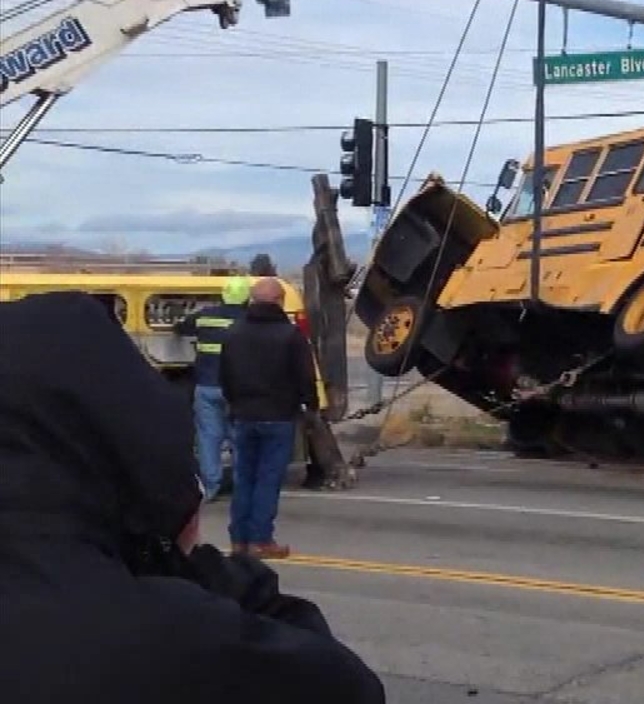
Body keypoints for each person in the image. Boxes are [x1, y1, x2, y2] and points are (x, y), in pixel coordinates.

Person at [0, 290, 385, 703]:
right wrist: (191, 568)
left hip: (232, 404)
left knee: (236, 466)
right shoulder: (152, 640)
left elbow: (223, 366)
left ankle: (236, 521)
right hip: (273, 413)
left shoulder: (227, 330)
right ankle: (258, 535)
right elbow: (346, 687)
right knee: (265, 478)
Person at [221, 277, 318, 559]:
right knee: (267, 479)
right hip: (278, 416)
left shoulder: (233, 333)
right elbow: (305, 377)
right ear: (279, 301)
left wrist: (235, 404)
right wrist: (310, 407)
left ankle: (239, 539)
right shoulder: (290, 335)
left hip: (243, 415)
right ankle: (261, 540)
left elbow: (224, 377)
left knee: (244, 478)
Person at [174, 275, 252, 501]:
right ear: (247, 298)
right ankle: (242, 487)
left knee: (209, 438)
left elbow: (180, 328)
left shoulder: (206, 317)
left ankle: (210, 487)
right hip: (238, 391)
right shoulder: (250, 321)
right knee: (240, 438)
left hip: (207, 387)